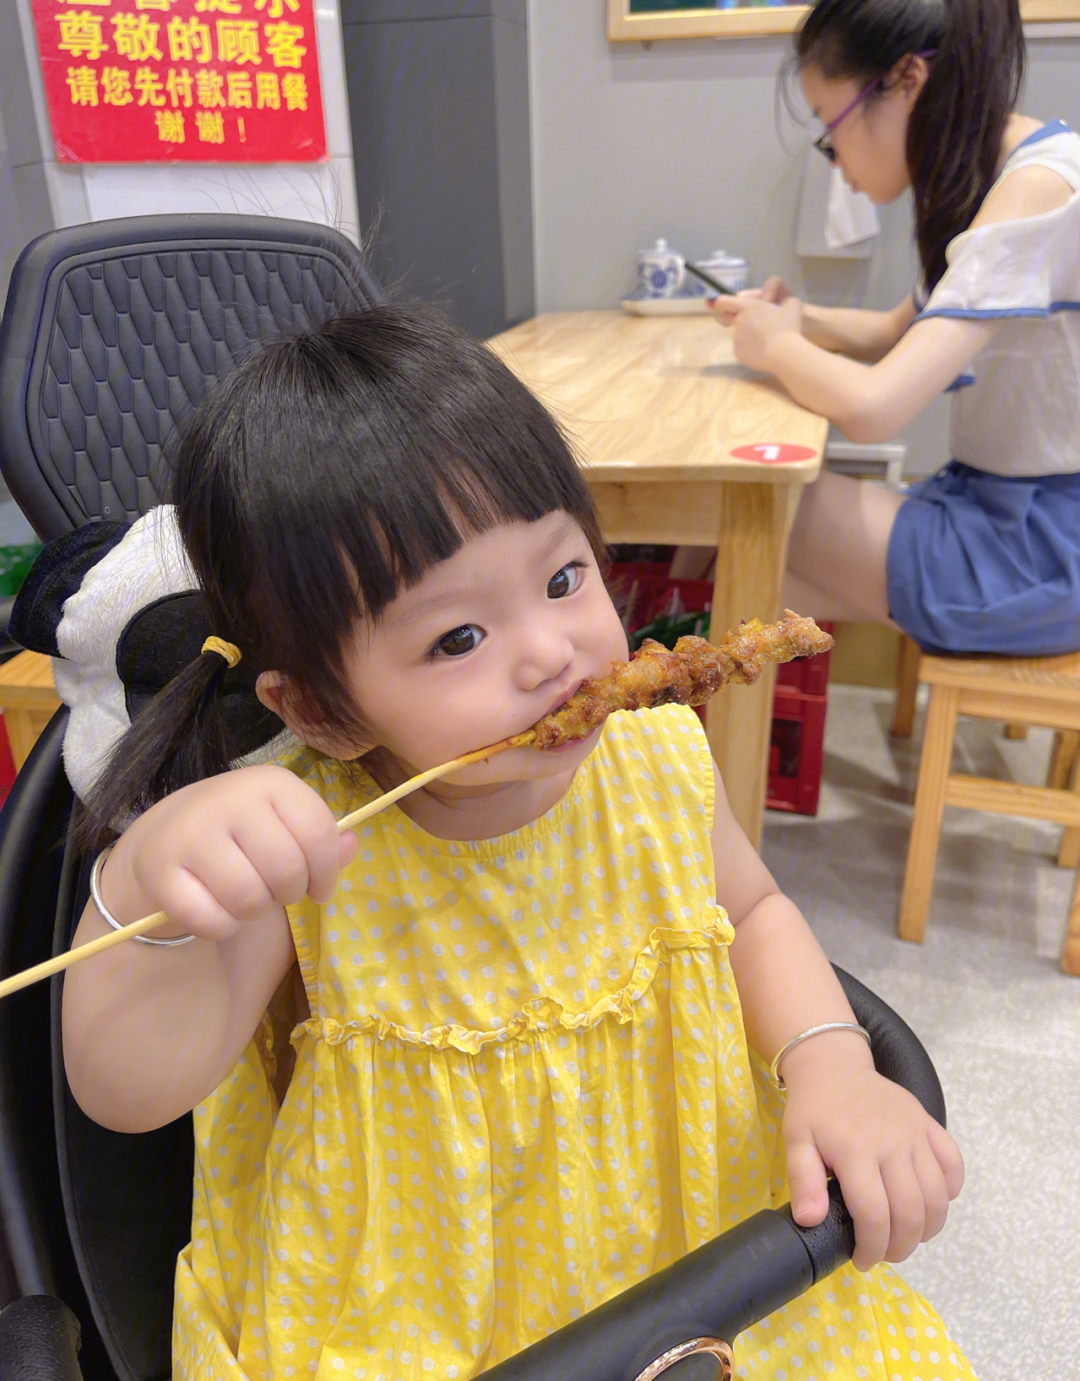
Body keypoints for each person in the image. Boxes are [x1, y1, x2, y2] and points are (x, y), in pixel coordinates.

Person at [61, 306, 975, 1381]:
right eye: (458, 638)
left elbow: (756, 914)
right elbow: (127, 1089)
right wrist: (141, 887)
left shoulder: (656, 761)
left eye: (563, 578)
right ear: (320, 707)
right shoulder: (302, 841)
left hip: (679, 1247)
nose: (553, 653)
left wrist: (829, 1060)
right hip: (423, 1308)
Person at [714, 0, 1080, 656]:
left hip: (1038, 550)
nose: (836, 159)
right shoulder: (1005, 174)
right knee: (739, 574)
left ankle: (703, 751)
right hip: (1001, 515)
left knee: (744, 519)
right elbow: (892, 330)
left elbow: (878, 404)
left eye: (831, 126)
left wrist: (777, 345)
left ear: (906, 78)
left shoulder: (1041, 189)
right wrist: (801, 317)